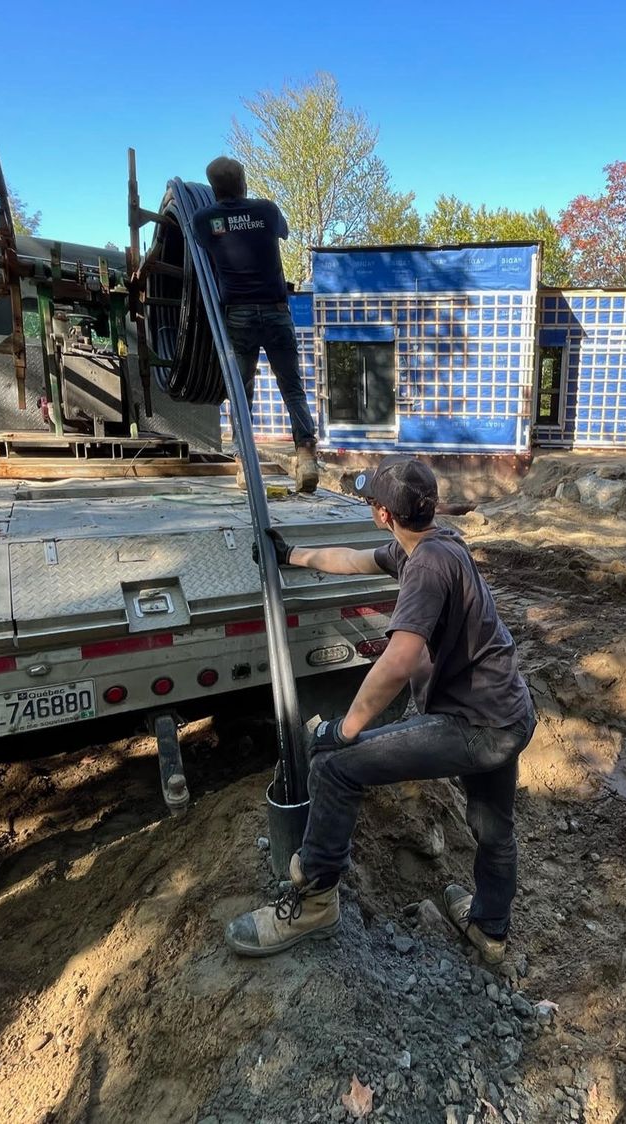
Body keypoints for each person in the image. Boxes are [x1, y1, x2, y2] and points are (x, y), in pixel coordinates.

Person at [225, 455, 536, 963]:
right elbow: (352, 560)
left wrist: (346, 728)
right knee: (494, 828)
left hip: (479, 726)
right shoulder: (433, 544)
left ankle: (314, 905)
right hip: (508, 710)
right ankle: (490, 930)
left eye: (371, 500)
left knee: (336, 765)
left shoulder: (427, 567)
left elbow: (398, 660)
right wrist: (291, 554)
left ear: (384, 514)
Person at [190, 156, 319, 492]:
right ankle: (306, 456)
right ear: (243, 182)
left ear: (214, 189)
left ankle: (246, 465)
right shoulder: (266, 211)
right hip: (276, 312)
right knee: (292, 387)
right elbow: (283, 233)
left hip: (238, 316)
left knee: (240, 391)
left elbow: (199, 244)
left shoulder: (205, 219)